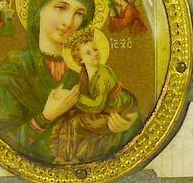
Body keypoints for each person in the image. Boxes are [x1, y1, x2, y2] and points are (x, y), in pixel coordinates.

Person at [0, 0, 139, 164]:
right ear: (38, 9)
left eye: (79, 13)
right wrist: (45, 117)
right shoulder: (9, 76)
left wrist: (124, 124)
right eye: (61, 7)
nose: (68, 22)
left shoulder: (90, 69)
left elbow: (126, 110)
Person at [49, 28, 140, 165]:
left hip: (116, 112)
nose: (95, 54)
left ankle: (71, 158)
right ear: (80, 59)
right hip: (104, 109)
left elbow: (97, 106)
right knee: (65, 119)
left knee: (76, 122)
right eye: (88, 53)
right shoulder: (85, 74)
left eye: (95, 49)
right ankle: (62, 156)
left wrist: (75, 98)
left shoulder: (103, 75)